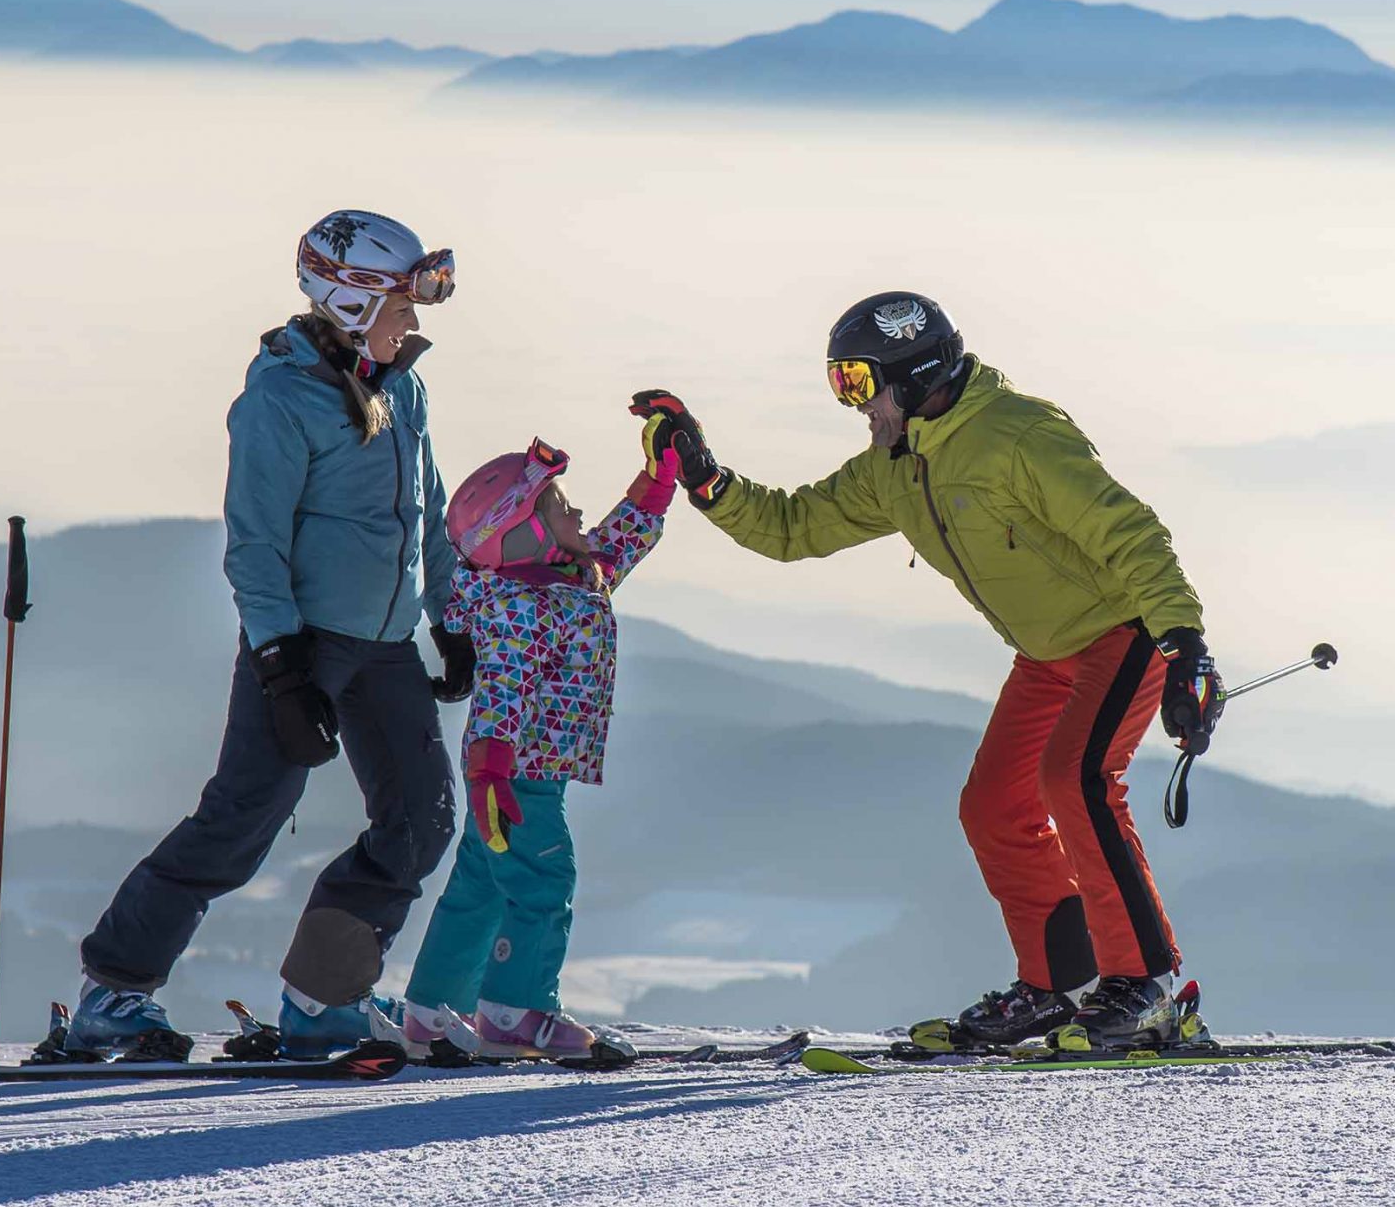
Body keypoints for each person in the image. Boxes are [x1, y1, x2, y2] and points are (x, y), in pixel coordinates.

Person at [630, 292, 1223, 1051]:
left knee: (1074, 780)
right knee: (993, 805)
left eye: (856, 382)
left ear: (913, 374)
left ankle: (1144, 986)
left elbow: (1129, 530)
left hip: (1125, 630)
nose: (853, 404)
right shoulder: (896, 465)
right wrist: (705, 477)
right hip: (1047, 652)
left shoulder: (1019, 436)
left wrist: (1185, 645)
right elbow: (793, 524)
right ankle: (1056, 986)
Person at [69, 211, 470, 1061]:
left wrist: (454, 621)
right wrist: (282, 668)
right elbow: (254, 544)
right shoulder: (279, 400)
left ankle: (323, 998)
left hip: (387, 644)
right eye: (405, 301)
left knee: (422, 821)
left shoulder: (406, 387)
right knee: (243, 819)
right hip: (306, 644)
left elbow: (428, 513)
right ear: (352, 300)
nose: (416, 318)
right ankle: (113, 989)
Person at [397, 425, 676, 1066]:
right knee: (546, 878)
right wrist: (493, 773)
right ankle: (514, 1013)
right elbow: (500, 689)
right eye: (558, 507)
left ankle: (431, 1011)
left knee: (482, 883)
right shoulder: (523, 607)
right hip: (516, 775)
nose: (575, 512)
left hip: (511, 771)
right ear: (524, 535)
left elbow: (617, 545)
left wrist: (658, 483)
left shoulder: (565, 580)